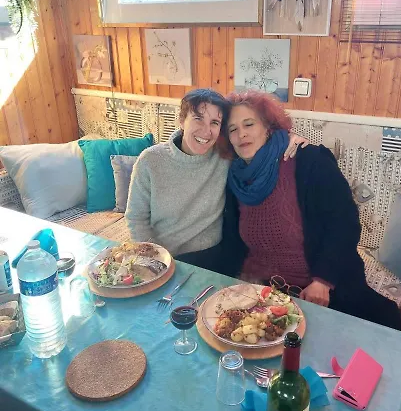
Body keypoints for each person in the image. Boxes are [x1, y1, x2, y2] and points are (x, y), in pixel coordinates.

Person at [219, 90, 401, 330]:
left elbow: (344, 224)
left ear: (268, 127)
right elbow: (232, 240)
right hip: (260, 291)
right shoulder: (235, 177)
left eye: (249, 124)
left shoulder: (309, 161)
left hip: (317, 290)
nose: (241, 134)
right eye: (232, 129)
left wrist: (323, 281)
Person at [125, 88, 307, 273]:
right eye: (198, 119)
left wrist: (289, 139)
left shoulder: (225, 155)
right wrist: (155, 259)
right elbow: (136, 217)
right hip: (164, 257)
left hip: (213, 258)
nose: (206, 131)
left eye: (214, 122)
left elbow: (260, 142)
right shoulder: (150, 160)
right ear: (181, 120)